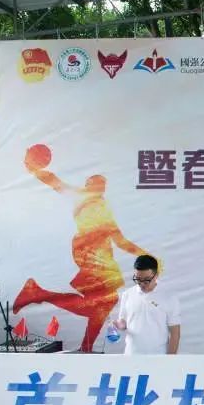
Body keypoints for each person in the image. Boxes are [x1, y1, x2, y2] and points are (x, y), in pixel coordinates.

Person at [13, 143, 155, 352]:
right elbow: (54, 181)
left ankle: (82, 343)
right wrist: (35, 170)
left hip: (103, 255)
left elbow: (120, 240)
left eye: (103, 184)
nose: (100, 186)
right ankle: (39, 295)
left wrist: (147, 256)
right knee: (106, 300)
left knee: (103, 304)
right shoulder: (81, 196)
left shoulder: (103, 207)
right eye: (96, 182)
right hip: (89, 252)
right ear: (87, 185)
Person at [111, 254, 180, 355]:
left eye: (147, 280)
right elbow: (124, 322)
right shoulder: (128, 294)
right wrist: (118, 325)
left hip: (158, 356)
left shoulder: (169, 297)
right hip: (131, 355)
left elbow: (175, 332)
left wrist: (170, 359)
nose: (142, 283)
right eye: (138, 279)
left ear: (156, 275)